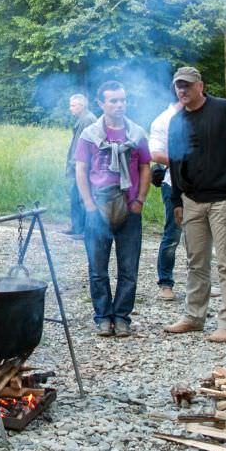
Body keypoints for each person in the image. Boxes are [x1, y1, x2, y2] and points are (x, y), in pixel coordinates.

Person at [163, 67, 226, 343]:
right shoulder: (177, 120)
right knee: (196, 262)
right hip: (192, 200)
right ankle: (194, 317)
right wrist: (176, 198)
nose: (182, 90)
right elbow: (175, 161)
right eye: (178, 86)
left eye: (188, 86)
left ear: (200, 86)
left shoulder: (224, 110)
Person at [73, 81, 151, 337]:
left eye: (122, 100)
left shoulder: (137, 134)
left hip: (129, 208)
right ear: (101, 104)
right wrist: (88, 205)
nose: (119, 105)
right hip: (98, 207)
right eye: (113, 101)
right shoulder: (90, 135)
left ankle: (122, 317)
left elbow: (144, 167)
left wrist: (139, 200)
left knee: (128, 269)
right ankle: (103, 316)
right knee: (98, 269)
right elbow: (81, 169)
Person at [148, 101, 183, 301]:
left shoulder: (201, 114)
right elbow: (155, 154)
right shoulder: (163, 120)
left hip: (202, 185)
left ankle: (199, 284)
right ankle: (165, 283)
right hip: (173, 183)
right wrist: (187, 162)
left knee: (200, 236)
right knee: (172, 234)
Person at [64, 94, 97, 237]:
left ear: (81, 106)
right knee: (75, 196)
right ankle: (77, 227)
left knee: (83, 197)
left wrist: (74, 165)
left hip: (84, 167)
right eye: (70, 105)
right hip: (80, 166)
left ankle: (85, 230)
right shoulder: (82, 119)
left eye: (73, 105)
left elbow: (81, 147)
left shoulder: (87, 120)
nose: (70, 108)